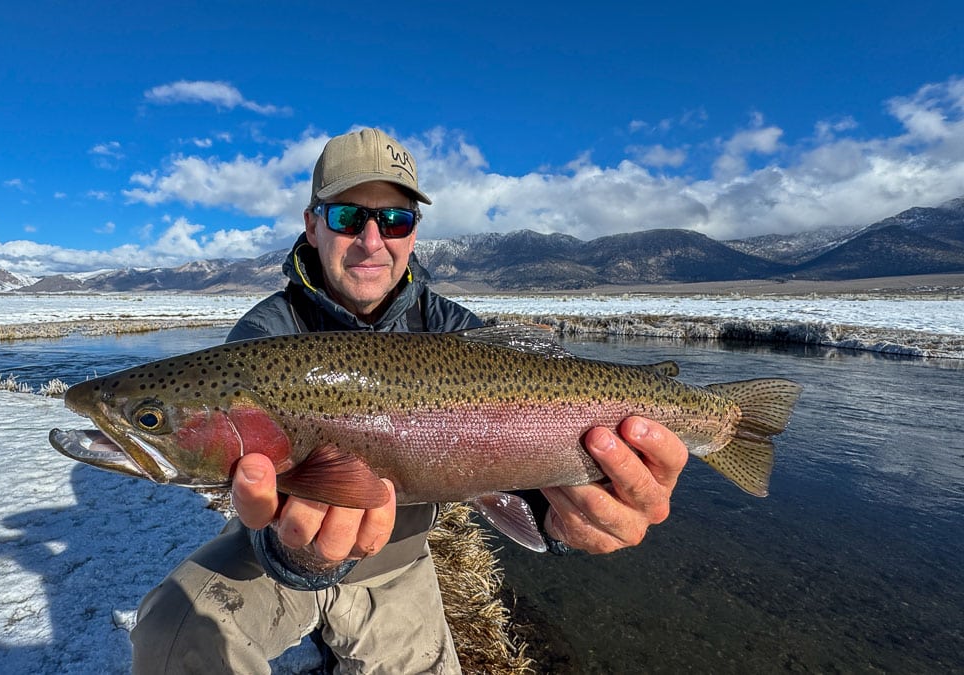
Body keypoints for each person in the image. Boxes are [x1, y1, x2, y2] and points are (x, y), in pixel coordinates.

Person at [130, 128, 689, 674]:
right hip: (269, 555)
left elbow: (518, 462)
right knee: (170, 632)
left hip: (398, 566)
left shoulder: (453, 330)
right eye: (347, 216)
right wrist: (296, 555)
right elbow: (252, 499)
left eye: (394, 219)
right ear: (312, 225)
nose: (372, 240)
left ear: (413, 232)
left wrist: (565, 521)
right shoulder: (263, 338)